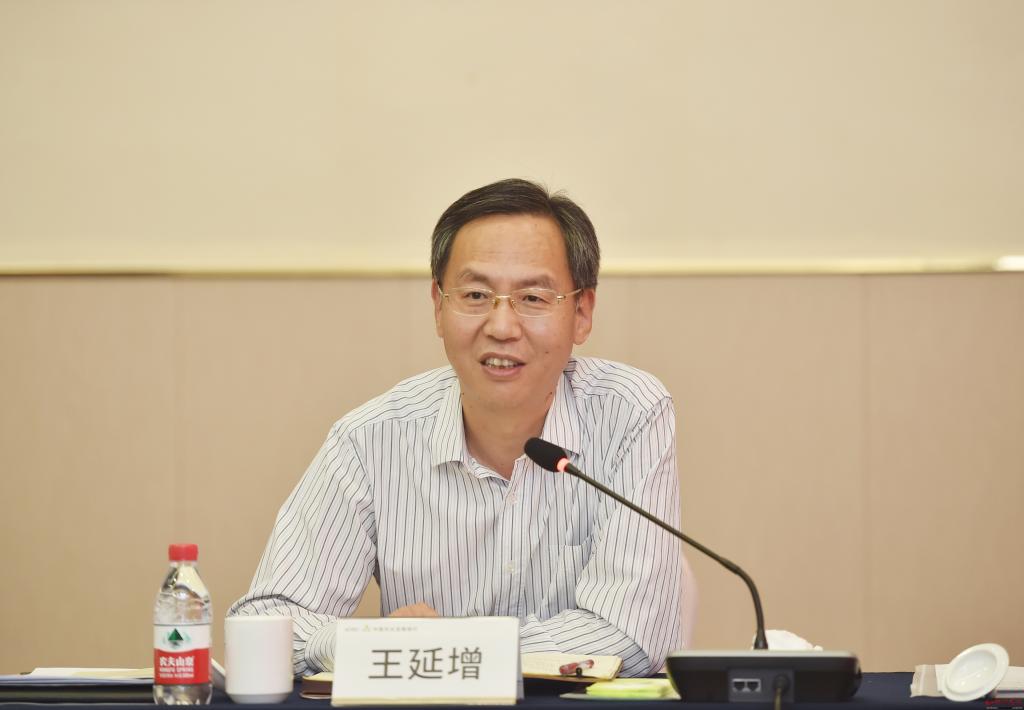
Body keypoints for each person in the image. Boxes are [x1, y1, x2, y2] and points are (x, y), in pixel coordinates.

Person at [228, 178, 684, 677]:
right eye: (475, 294)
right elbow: (262, 626)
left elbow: (630, 636)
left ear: (582, 313)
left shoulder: (628, 414)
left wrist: (448, 647)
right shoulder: (371, 439)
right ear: (439, 308)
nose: (502, 327)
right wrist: (363, 642)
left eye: (533, 298)